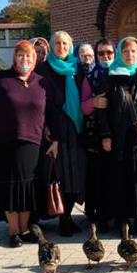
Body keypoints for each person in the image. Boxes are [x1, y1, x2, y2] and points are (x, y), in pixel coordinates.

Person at [0, 40, 59, 247]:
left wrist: (56, 140)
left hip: (33, 143)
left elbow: (51, 113)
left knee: (27, 187)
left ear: (35, 59)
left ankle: (25, 229)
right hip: (5, 143)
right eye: (21, 55)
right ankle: (13, 231)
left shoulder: (42, 82)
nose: (25, 59)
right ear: (14, 57)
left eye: (29, 56)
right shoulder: (1, 79)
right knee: (9, 188)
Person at [98, 37, 137, 237]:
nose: (129, 55)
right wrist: (106, 135)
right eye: (125, 51)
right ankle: (123, 221)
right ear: (119, 53)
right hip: (119, 137)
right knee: (121, 179)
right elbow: (102, 109)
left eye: (133, 51)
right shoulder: (109, 76)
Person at [35, 31, 87, 236]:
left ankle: (68, 217)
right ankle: (62, 218)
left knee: (77, 174)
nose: (61, 47)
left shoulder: (77, 68)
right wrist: (47, 126)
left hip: (77, 128)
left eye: (65, 43)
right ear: (51, 46)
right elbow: (39, 102)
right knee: (60, 175)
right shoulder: (43, 69)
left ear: (71, 45)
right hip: (54, 130)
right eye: (57, 43)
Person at [80, 38, 113, 232]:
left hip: (118, 134)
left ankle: (117, 215)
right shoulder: (90, 76)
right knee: (98, 178)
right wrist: (93, 102)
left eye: (109, 52)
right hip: (96, 136)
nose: (105, 56)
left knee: (117, 177)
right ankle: (100, 217)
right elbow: (82, 107)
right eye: (101, 53)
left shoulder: (122, 73)